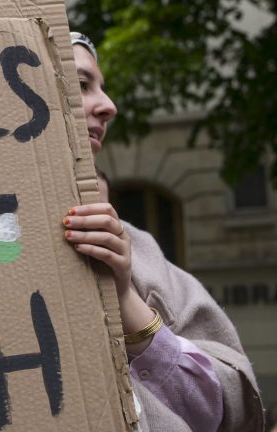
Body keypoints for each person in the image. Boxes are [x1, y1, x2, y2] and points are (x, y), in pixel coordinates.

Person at [64, 32, 264, 431]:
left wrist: (125, 299)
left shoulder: (143, 250)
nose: (108, 106)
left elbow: (225, 412)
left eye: (101, 87)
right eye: (83, 85)